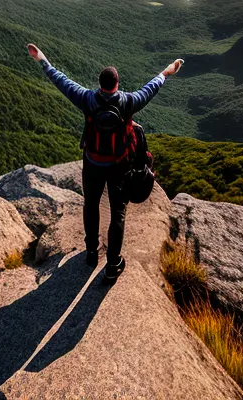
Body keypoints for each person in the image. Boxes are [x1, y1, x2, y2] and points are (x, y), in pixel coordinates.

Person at [28, 43, 183, 282]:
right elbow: (151, 88)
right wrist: (167, 71)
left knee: (90, 205)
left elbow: (60, 80)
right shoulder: (129, 101)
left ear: (100, 84)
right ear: (117, 84)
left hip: (92, 162)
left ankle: (91, 252)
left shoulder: (87, 99)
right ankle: (113, 264)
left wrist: (42, 60)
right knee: (118, 213)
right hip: (119, 166)